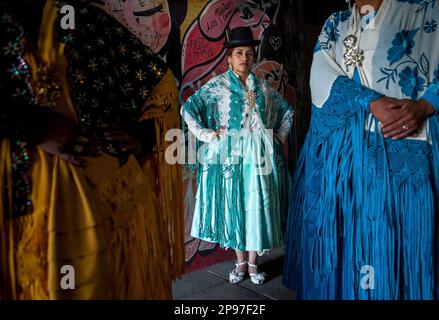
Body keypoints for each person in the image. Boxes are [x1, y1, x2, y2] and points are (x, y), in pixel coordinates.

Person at [0, 0, 184, 299]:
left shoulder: (77, 17)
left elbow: (159, 84)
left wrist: (141, 136)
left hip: (107, 204)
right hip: (20, 214)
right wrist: (34, 126)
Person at [283, 0, 439, 299]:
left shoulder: (427, 10)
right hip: (344, 162)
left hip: (403, 160)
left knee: (396, 248)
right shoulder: (337, 22)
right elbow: (322, 74)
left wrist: (427, 103)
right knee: (347, 245)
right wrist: (367, 100)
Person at [181, 26, 294, 285]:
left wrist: (277, 138)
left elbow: (286, 111)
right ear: (229, 59)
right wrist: (208, 135)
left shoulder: (263, 87)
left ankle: (254, 265)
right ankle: (240, 262)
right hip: (229, 158)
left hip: (258, 159)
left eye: (249, 53)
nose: (245, 58)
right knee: (236, 208)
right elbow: (188, 108)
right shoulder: (218, 86)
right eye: (239, 53)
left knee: (255, 208)